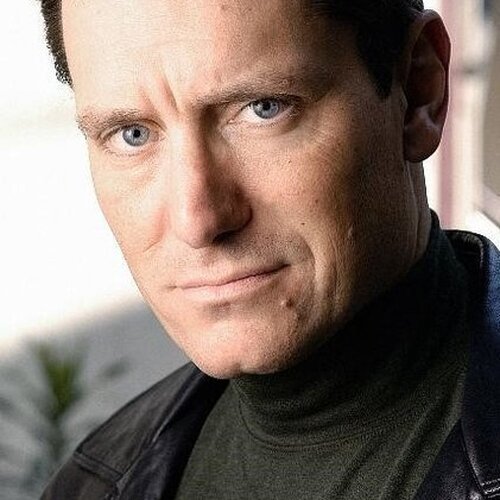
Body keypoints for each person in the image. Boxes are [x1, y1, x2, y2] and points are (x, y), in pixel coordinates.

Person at [39, 0, 500, 498]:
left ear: (418, 92)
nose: (198, 221)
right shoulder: (93, 485)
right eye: (132, 135)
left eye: (263, 108)